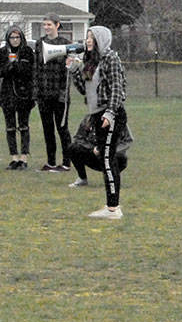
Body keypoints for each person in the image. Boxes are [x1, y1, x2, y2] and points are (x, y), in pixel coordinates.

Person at [67, 26, 129, 219]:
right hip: (96, 115)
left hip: (110, 115)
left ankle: (113, 208)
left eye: (92, 37)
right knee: (105, 159)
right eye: (87, 37)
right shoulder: (90, 61)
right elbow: (85, 90)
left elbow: (117, 88)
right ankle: (111, 206)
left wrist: (110, 113)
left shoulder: (110, 58)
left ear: (101, 39)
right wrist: (74, 70)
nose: (88, 41)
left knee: (108, 161)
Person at [33, 13, 73, 172]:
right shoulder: (39, 43)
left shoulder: (65, 44)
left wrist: (64, 92)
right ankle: (50, 162)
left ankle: (66, 162)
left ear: (57, 25)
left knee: (62, 129)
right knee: (47, 129)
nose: (46, 27)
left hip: (60, 94)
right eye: (44, 25)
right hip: (44, 94)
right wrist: (36, 92)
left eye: (49, 24)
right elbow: (36, 68)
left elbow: (68, 71)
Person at [0, 25, 35, 170]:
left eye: (17, 37)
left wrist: (18, 66)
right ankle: (14, 157)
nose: (15, 40)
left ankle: (24, 158)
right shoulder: (3, 52)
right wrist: (8, 67)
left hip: (24, 95)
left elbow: (31, 71)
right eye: (12, 37)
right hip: (7, 95)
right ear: (8, 38)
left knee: (24, 126)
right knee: (10, 127)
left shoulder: (27, 51)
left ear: (21, 38)